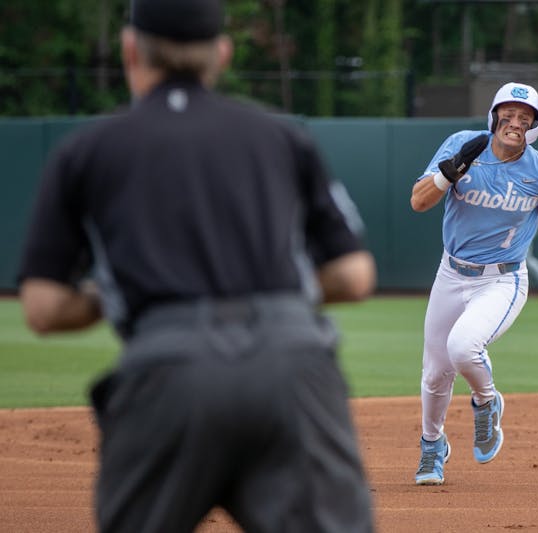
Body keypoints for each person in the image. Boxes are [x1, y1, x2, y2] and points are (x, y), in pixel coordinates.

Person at [17, 0, 376, 531]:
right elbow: (354, 276)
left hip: (168, 369)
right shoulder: (282, 138)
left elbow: (43, 308)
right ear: (222, 55)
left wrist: (110, 296)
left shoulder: (86, 151)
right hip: (291, 367)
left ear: (130, 50)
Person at [409, 82, 538, 485]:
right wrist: (445, 175)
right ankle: (432, 445)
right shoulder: (462, 145)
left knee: (463, 346)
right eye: (508, 114)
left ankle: (487, 402)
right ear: (493, 116)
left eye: (526, 118)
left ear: (535, 127)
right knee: (435, 373)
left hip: (501, 280)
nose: (515, 122)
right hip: (451, 273)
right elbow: (418, 202)